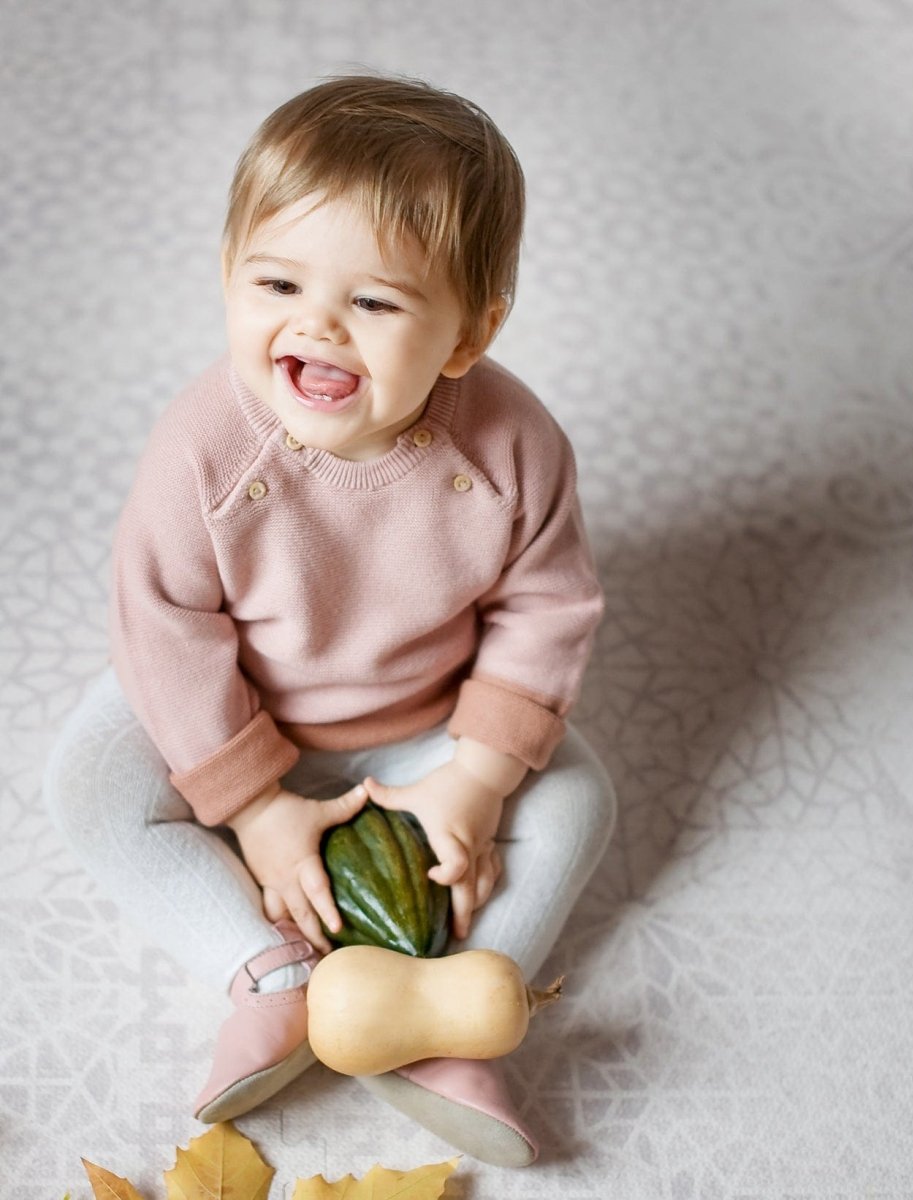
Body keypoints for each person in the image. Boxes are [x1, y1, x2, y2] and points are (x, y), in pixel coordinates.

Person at [43, 74, 616, 1168]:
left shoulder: (510, 445)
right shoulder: (208, 445)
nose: (316, 325)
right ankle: (270, 974)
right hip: (235, 703)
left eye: (377, 302)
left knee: (582, 801)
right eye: (277, 282)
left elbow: (549, 603)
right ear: (227, 277)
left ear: (468, 335)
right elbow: (163, 622)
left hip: (426, 716)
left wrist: (476, 780)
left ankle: (440, 1012)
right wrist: (253, 805)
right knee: (90, 780)